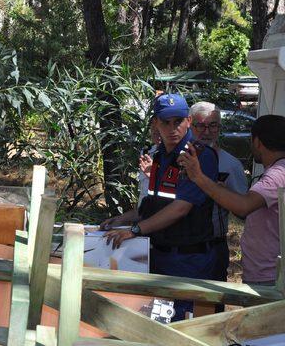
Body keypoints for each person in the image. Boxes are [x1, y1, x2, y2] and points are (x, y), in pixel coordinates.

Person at [101, 93, 219, 321]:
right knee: (157, 325)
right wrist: (122, 219)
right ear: (156, 123)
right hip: (159, 257)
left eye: (178, 121)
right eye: (166, 122)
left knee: (185, 328)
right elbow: (153, 204)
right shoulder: (159, 156)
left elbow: (181, 208)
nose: (173, 128)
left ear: (188, 122)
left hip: (188, 260)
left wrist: (135, 230)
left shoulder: (199, 156)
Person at [178, 114, 285, 285]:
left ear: (257, 141)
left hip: (270, 277)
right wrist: (223, 190)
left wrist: (198, 176)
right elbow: (249, 210)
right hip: (266, 273)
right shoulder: (278, 171)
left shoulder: (277, 174)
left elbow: (244, 206)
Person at [189, 101, 247, 288]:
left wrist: (223, 193)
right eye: (200, 125)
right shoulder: (175, 157)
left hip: (212, 245)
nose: (207, 131)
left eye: (213, 125)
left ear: (219, 127)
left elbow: (244, 211)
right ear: (190, 124)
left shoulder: (231, 164)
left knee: (212, 306)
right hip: (174, 245)